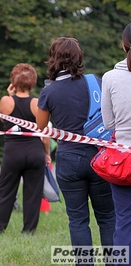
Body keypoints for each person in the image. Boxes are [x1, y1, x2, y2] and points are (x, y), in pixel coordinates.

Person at [36, 37, 115, 256]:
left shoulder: (49, 91)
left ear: (54, 59)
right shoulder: (95, 82)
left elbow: (41, 126)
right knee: (108, 217)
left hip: (69, 159)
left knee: (78, 219)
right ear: (78, 57)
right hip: (100, 157)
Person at [0, 63, 50, 236]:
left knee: (4, 192)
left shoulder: (6, 101)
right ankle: (29, 231)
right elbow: (44, 133)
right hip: (35, 151)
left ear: (13, 81)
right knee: (32, 193)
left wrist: (10, 94)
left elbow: (4, 118)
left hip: (13, 152)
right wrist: (47, 154)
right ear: (33, 82)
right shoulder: (37, 103)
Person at [101, 23, 131, 265]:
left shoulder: (110, 78)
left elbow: (108, 123)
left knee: (123, 220)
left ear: (123, 45)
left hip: (123, 161)